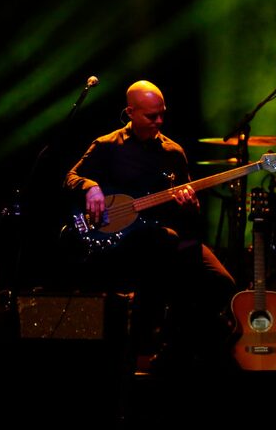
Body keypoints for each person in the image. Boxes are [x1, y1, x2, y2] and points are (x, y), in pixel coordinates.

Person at [64, 80, 236, 372]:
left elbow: (187, 214)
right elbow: (71, 176)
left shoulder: (173, 152)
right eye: (151, 116)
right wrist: (90, 187)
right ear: (130, 112)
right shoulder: (107, 145)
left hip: (166, 239)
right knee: (157, 277)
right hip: (126, 243)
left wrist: (190, 205)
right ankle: (139, 359)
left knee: (221, 282)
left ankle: (174, 347)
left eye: (162, 114)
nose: (159, 121)